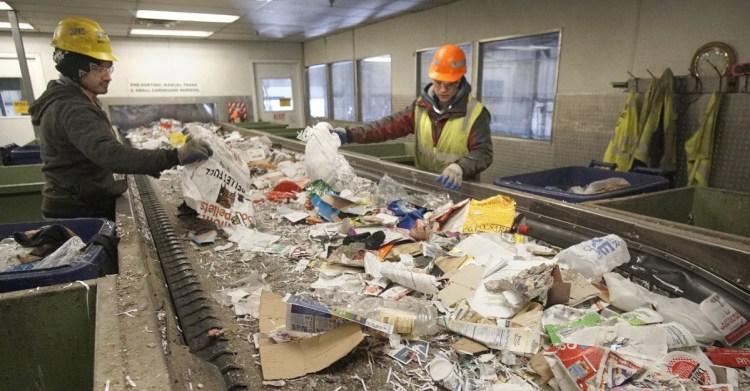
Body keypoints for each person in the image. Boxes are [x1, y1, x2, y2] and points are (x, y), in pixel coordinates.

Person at [29, 17, 213, 221]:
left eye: (109, 68)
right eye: (98, 69)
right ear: (75, 67)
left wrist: (148, 164)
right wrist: (174, 156)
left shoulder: (76, 100)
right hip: (77, 212)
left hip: (80, 202)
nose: (108, 77)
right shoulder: (73, 108)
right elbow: (111, 155)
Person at [333, 44, 493, 190]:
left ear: (459, 80)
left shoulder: (475, 112)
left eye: (449, 84)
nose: (443, 90)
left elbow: (483, 152)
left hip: (460, 190)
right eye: (438, 82)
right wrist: (350, 134)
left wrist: (460, 167)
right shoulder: (421, 107)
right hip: (426, 188)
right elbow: (385, 127)